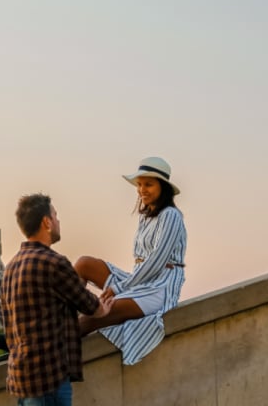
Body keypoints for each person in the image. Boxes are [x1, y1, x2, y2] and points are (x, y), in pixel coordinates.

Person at [2, 193, 112, 406]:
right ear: (47, 222)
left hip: (21, 377)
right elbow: (89, 304)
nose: (59, 221)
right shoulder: (53, 262)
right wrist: (104, 305)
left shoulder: (11, 267)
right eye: (57, 215)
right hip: (48, 377)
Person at [74, 156, 187, 366]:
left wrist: (119, 288)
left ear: (163, 187)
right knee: (83, 264)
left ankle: (41, 342)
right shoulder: (146, 217)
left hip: (159, 287)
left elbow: (155, 262)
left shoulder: (171, 216)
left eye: (149, 185)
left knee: (98, 314)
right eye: (140, 184)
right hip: (139, 280)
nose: (142, 190)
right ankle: (58, 319)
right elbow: (141, 264)